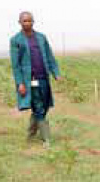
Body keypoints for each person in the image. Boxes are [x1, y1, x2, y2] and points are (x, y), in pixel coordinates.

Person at [9, 11, 61, 147]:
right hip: (29, 81)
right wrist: (20, 83)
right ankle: (46, 139)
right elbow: (16, 65)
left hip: (43, 77)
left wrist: (55, 72)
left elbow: (49, 56)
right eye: (24, 21)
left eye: (30, 20)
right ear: (19, 22)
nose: (27, 23)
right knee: (38, 106)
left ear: (33, 22)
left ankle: (31, 133)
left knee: (44, 105)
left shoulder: (41, 37)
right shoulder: (16, 40)